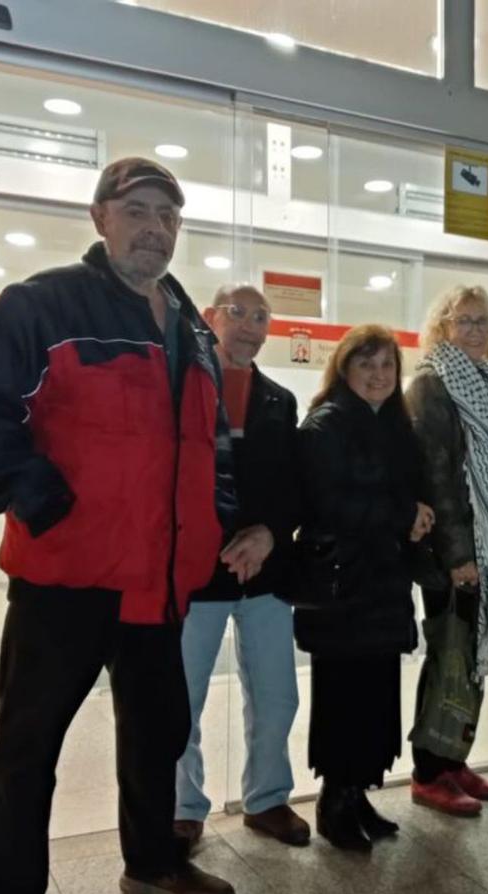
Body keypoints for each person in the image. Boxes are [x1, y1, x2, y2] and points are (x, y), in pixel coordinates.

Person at [0, 157, 238, 894]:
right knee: (27, 745)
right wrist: (41, 499)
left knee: (158, 733)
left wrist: (224, 522)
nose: (156, 228)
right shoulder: (42, 306)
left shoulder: (191, 327)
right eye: (138, 210)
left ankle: (152, 864)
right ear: (101, 217)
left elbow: (208, 446)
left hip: (159, 581)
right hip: (63, 579)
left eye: (169, 216)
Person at [173, 284, 309, 852]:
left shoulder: (280, 400)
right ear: (210, 319)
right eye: (239, 313)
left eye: (262, 317)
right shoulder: (182, 389)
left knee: (277, 696)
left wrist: (268, 534)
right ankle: (182, 810)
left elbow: (292, 486)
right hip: (196, 573)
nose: (251, 326)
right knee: (181, 698)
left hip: (264, 573)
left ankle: (268, 800)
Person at [294, 324, 433, 851]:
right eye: (366, 364)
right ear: (345, 369)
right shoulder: (326, 424)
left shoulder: (396, 424)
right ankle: (334, 800)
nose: (377, 375)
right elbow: (328, 504)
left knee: (376, 693)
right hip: (342, 584)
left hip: (383, 581)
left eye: (386, 366)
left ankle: (360, 792)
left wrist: (419, 516)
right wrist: (404, 515)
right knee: (342, 696)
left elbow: (411, 491)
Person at [406, 286, 488, 817]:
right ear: (443, 326)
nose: (475, 330)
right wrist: (458, 555)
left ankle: (453, 758)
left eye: (482, 322)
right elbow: (438, 479)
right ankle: (428, 771)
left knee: (466, 659)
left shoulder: (483, 384)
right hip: (453, 554)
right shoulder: (432, 383)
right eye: (464, 321)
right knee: (449, 658)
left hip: (477, 548)